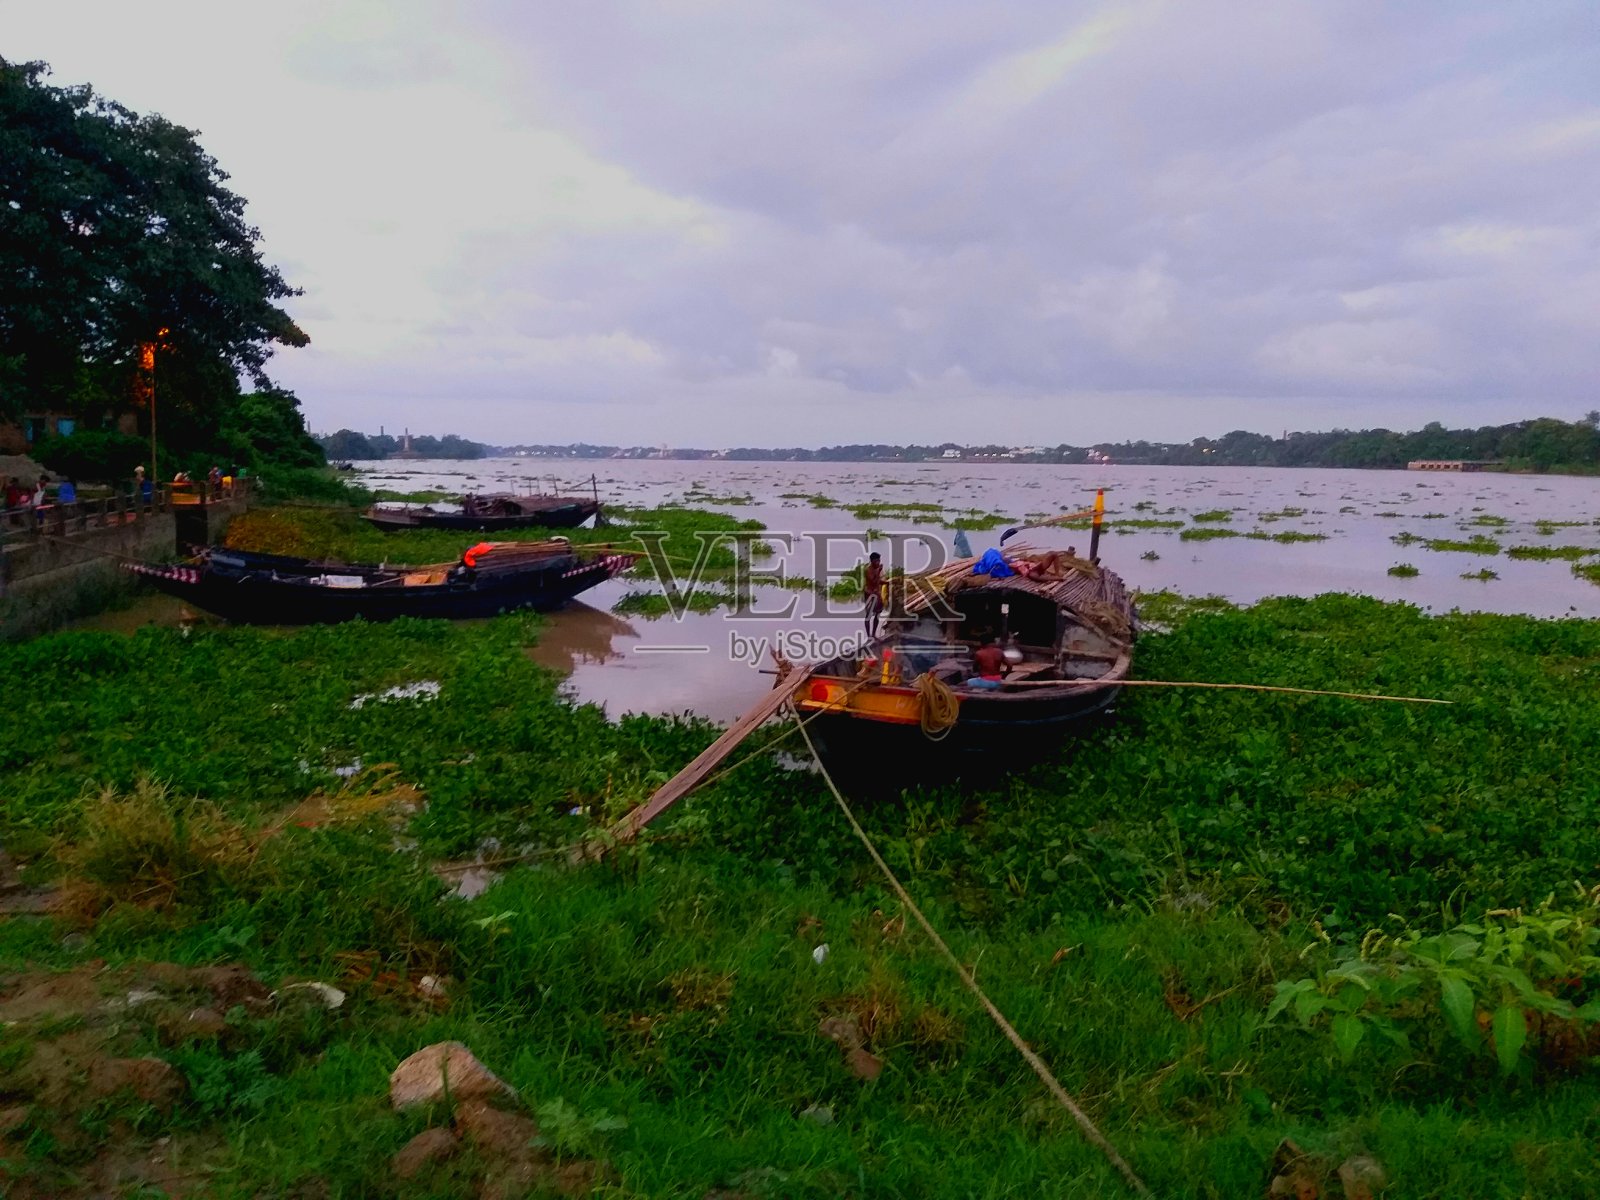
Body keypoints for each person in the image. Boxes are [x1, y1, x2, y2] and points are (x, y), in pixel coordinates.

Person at [863, 551, 885, 638]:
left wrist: (887, 583)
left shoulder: (876, 569)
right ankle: (869, 636)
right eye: (876, 561)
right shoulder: (868, 570)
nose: (878, 563)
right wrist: (879, 571)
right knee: (868, 616)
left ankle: (873, 634)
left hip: (877, 594)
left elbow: (878, 581)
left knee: (877, 615)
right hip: (870, 595)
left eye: (879, 561)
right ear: (872, 561)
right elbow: (873, 581)